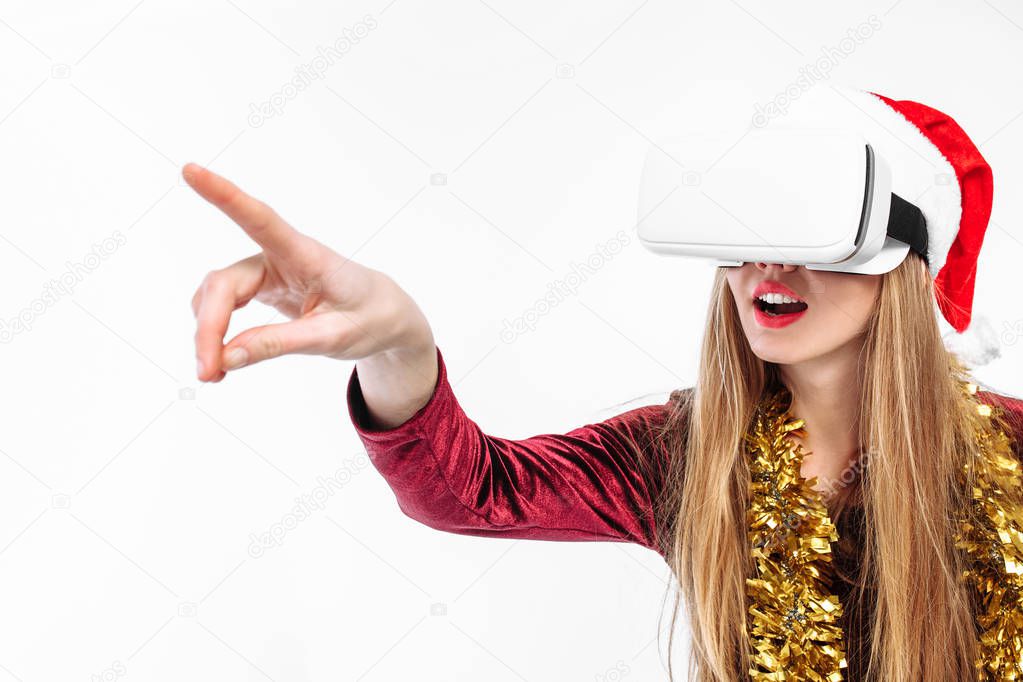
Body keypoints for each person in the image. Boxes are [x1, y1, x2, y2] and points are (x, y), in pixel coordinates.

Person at [184, 92, 1023, 681]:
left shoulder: (1012, 447)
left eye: (809, 228)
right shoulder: (684, 456)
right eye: (747, 227)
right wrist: (400, 345)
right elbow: (469, 490)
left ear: (903, 263)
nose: (768, 263)